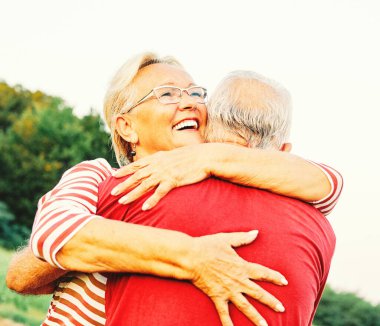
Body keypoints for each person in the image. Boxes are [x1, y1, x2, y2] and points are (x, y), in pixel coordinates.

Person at [6, 53, 342, 326]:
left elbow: (329, 184)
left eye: (196, 93)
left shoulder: (228, 184)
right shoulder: (100, 177)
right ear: (126, 126)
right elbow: (51, 237)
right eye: (167, 94)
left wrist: (209, 156)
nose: (189, 103)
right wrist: (194, 256)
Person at [98, 69, 341, 325]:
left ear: (209, 127)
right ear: (283, 151)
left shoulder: (139, 184)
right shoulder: (321, 232)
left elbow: (55, 247)